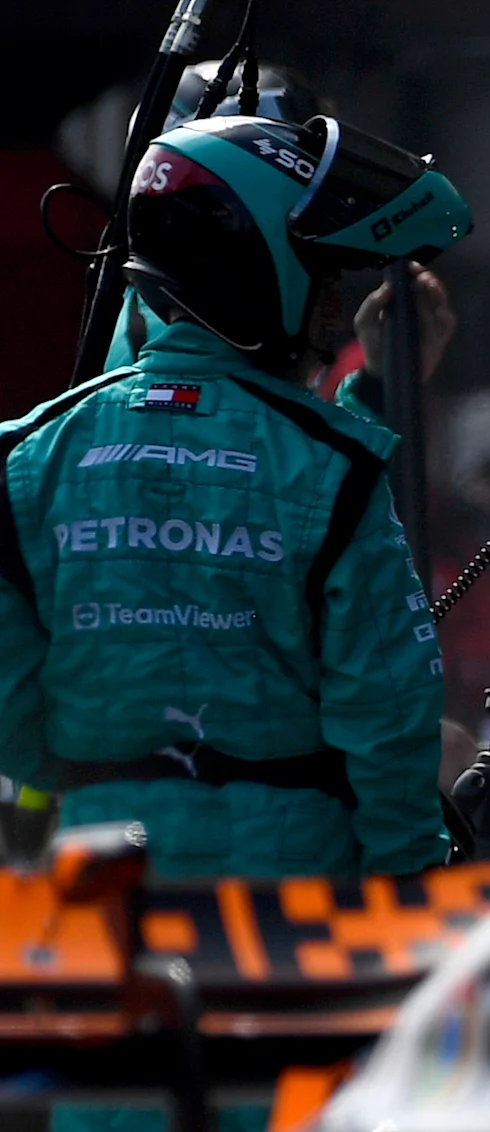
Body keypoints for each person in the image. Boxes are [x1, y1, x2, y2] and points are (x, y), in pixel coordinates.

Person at [0, 113, 464, 879]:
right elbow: (389, 722)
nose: (332, 310)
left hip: (101, 892)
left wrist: (117, 778)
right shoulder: (336, 466)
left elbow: (12, 715)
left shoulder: (27, 457)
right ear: (253, 270)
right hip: (294, 910)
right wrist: (410, 884)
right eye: (322, 280)